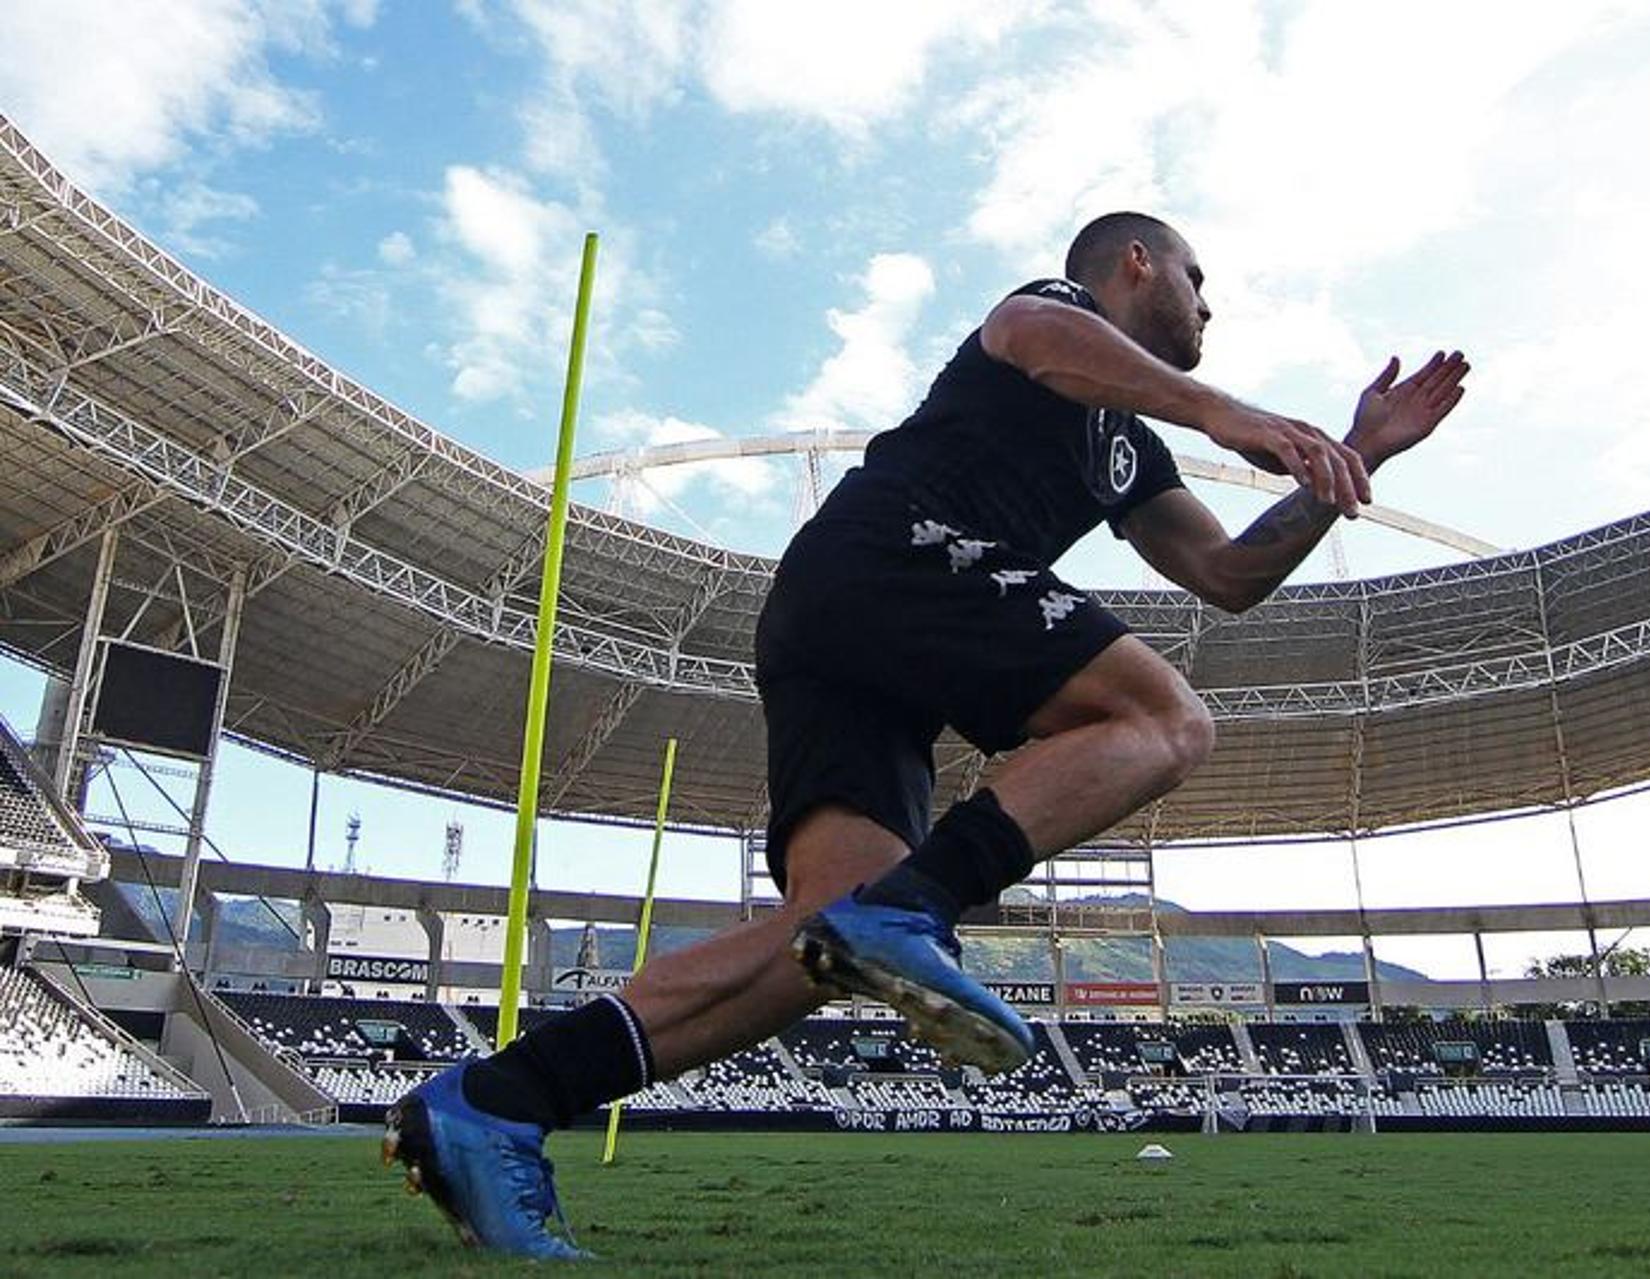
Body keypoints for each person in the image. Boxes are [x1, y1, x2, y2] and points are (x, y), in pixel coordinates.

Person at [383, 212, 1469, 1257]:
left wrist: (1360, 455)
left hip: (848, 631)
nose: (1208, 306)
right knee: (1165, 718)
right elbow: (1039, 339)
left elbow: (1229, 575)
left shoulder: (1127, 445)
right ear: (1136, 264)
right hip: (889, 555)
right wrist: (1224, 412)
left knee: (821, 944)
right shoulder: (1052, 313)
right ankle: (917, 906)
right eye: (1196, 280)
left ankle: (496, 1101)